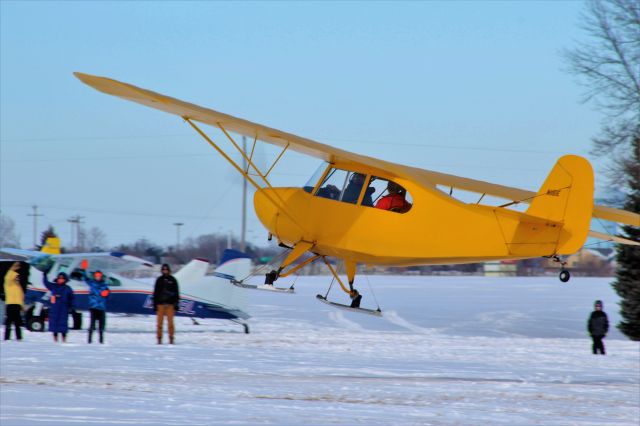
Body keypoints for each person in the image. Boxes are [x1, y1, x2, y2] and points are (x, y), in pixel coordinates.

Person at [42, 272, 75, 343]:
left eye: (62, 279)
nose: (60, 280)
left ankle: (64, 340)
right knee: (54, 325)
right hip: (55, 309)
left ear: (65, 280)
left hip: (64, 309)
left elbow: (72, 298)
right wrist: (45, 276)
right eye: (59, 278)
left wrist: (71, 307)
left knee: (63, 325)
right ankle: (55, 340)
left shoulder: (68, 289)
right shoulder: (53, 286)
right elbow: (46, 283)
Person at [153, 264, 180, 344]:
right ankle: (159, 338)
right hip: (160, 304)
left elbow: (176, 293)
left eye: (166, 269)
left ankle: (171, 338)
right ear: (162, 270)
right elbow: (156, 293)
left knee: (170, 323)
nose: (165, 271)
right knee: (159, 323)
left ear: (169, 270)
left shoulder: (173, 279)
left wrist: (176, 304)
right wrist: (155, 304)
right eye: (163, 269)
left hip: (170, 305)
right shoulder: (159, 280)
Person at [82, 269, 110, 344]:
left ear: (101, 276)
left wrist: (107, 293)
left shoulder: (104, 284)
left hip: (101, 308)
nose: (98, 277)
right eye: (96, 276)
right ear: (94, 276)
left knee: (101, 326)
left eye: (99, 276)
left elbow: (108, 294)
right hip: (93, 307)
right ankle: (89, 341)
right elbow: (85, 278)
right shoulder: (91, 283)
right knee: (92, 325)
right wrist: (84, 270)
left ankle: (101, 341)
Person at [3, 262, 24, 341]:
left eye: (18, 278)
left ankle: (19, 337)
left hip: (17, 306)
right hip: (10, 304)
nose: (17, 279)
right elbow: (7, 278)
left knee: (17, 322)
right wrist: (12, 269)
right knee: (9, 321)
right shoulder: (9, 285)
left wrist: (23, 306)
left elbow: (21, 298)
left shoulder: (19, 288)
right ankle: (7, 337)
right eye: (16, 278)